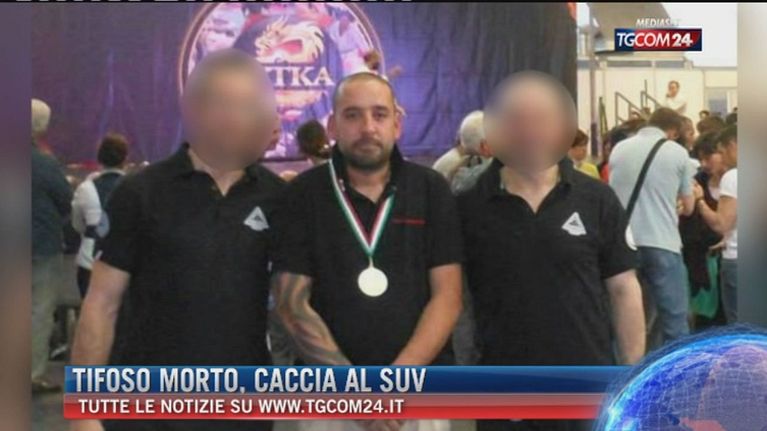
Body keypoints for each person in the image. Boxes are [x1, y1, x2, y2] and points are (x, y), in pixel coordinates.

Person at [69, 50, 284, 431]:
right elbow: (101, 302)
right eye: (220, 103)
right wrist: (84, 412)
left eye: (247, 106)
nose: (234, 117)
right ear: (194, 109)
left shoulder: (278, 197)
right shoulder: (141, 192)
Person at [272, 72, 463, 431]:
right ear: (332, 126)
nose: (367, 127)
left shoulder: (430, 189)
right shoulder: (301, 195)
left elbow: (448, 297)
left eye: (379, 114)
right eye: (352, 115)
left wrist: (394, 385)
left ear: (397, 124)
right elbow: (291, 303)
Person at [459, 72, 645, 431]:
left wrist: (632, 373)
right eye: (516, 120)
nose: (529, 131)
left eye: (541, 119)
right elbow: (456, 300)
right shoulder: (468, 206)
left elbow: (624, 289)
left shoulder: (597, 199)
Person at [609, 107, 696, 348]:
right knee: (674, 321)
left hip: (623, 244)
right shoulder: (678, 153)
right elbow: (688, 207)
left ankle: (624, 368)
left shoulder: (619, 149)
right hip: (663, 242)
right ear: (673, 131)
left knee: (624, 320)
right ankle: (676, 369)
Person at [31, 98, 72, 393]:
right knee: (39, 311)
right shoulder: (44, 163)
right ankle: (31, 374)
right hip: (41, 245)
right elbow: (65, 199)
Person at [71, 133, 129, 298]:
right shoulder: (137, 187)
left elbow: (77, 224)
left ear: (99, 158)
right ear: (125, 159)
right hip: (126, 263)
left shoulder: (86, 188)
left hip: (90, 261)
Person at [679, 132, 725, 328]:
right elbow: (688, 224)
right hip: (702, 261)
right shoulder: (696, 182)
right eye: (701, 159)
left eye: (709, 157)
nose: (704, 164)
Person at [695, 125, 737, 323]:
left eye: (722, 151)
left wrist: (700, 201)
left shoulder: (733, 176)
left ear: (733, 145)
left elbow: (722, 225)